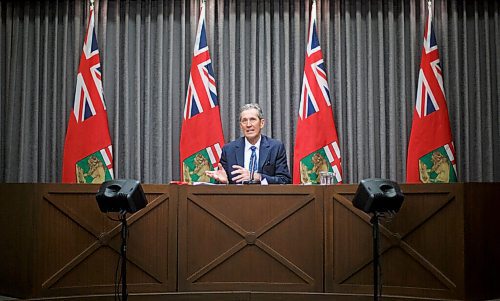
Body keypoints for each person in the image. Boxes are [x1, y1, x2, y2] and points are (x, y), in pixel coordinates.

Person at [206, 103, 292, 184]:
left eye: (252, 119)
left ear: (261, 123)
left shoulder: (275, 148)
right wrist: (225, 183)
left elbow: (284, 180)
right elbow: (220, 182)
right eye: (244, 121)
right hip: (237, 198)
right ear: (241, 125)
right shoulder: (229, 150)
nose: (248, 125)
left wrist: (257, 177)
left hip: (267, 199)